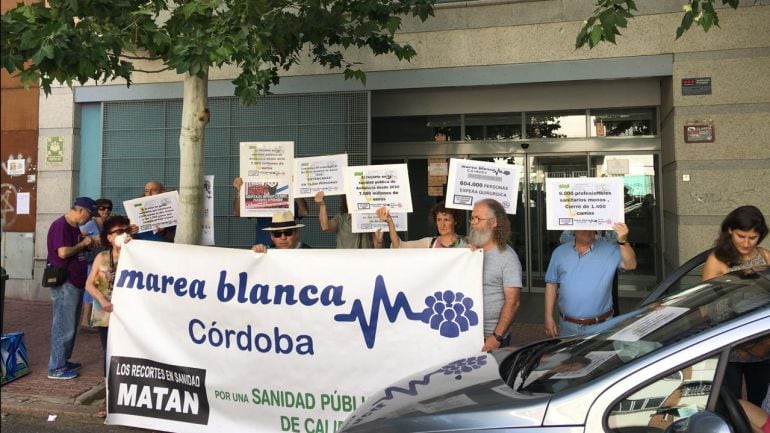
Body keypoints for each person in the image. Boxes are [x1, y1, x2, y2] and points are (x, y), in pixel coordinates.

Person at [544, 223, 637, 338]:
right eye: (583, 226)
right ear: (573, 229)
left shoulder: (609, 249)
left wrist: (623, 242)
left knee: (598, 356)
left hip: (600, 326)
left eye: (590, 226)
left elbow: (631, 265)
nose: (587, 230)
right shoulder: (560, 252)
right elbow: (551, 284)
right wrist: (548, 316)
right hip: (567, 327)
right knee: (566, 356)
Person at [83, 215, 131, 418]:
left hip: (130, 314)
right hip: (106, 314)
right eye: (118, 232)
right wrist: (102, 301)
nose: (123, 235)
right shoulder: (102, 257)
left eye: (126, 230)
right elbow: (89, 284)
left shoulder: (136, 255)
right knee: (109, 354)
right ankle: (110, 400)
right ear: (109, 237)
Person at [46, 196, 98, 380]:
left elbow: (73, 249)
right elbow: (63, 252)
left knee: (71, 324)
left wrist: (87, 244)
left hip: (75, 280)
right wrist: (84, 243)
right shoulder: (61, 225)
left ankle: (63, 360)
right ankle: (56, 367)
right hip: (65, 282)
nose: (90, 220)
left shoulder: (74, 227)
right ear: (81, 210)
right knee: (62, 324)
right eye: (89, 215)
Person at [467, 198, 522, 352]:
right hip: (465, 333)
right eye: (472, 217)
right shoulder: (469, 253)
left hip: (490, 338)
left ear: (493, 222)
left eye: (477, 218)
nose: (472, 222)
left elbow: (513, 302)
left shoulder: (507, 257)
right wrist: (464, 257)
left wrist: (497, 336)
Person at [232, 177, 308, 247]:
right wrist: (240, 191)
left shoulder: (288, 201)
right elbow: (237, 213)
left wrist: (295, 189)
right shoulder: (258, 200)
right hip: (263, 248)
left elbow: (304, 212)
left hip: (288, 247)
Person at [702, 205, 769, 281]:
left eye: (752, 238)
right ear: (730, 230)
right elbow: (708, 292)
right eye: (740, 236)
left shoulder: (765, 255)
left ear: (760, 235)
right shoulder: (716, 261)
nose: (746, 244)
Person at [79, 198, 112, 330]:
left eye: (108, 208)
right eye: (102, 208)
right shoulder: (90, 224)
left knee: (103, 290)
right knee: (90, 290)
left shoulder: (109, 224)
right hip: (92, 261)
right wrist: (91, 239)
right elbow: (78, 236)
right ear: (96, 210)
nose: (106, 211)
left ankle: (98, 320)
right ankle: (85, 322)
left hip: (106, 262)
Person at [377, 202, 467, 248]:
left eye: (446, 220)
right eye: (439, 220)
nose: (442, 224)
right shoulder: (429, 243)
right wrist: (390, 223)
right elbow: (399, 246)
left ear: (455, 221)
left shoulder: (467, 243)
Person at [315, 191, 381, 248]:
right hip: (344, 261)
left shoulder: (371, 219)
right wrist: (322, 205)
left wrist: (379, 241)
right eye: (350, 198)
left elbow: (377, 247)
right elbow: (325, 226)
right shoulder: (341, 219)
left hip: (364, 260)